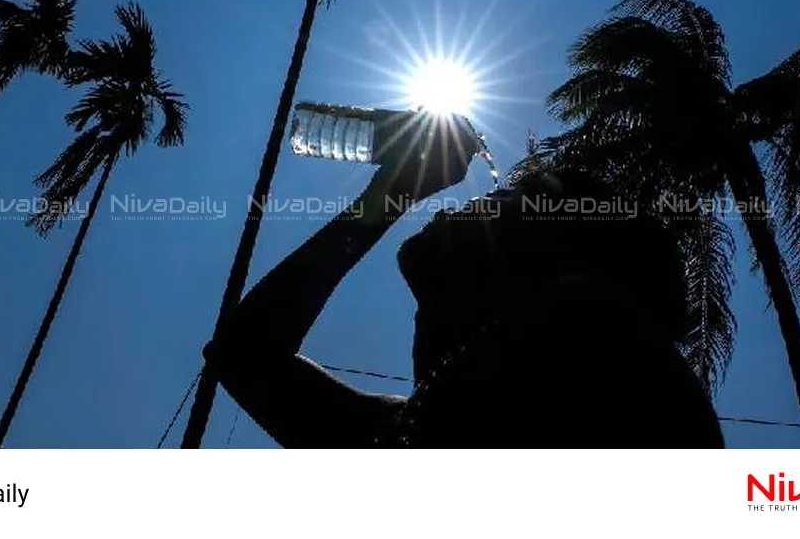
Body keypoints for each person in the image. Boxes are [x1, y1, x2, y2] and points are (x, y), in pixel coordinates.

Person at [207, 114, 725, 447]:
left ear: (555, 246)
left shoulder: (599, 338)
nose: (471, 202)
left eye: (502, 198)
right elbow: (241, 354)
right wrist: (386, 196)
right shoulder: (412, 428)